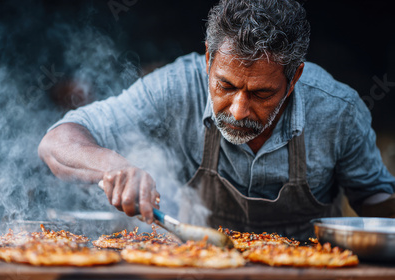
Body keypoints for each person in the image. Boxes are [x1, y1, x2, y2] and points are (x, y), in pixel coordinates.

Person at [38, 0, 395, 239]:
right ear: (209, 59)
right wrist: (112, 166)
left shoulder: (338, 110)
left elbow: (373, 198)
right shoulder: (174, 88)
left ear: (294, 78)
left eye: (261, 94)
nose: (238, 110)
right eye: (225, 86)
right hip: (200, 268)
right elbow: (56, 142)